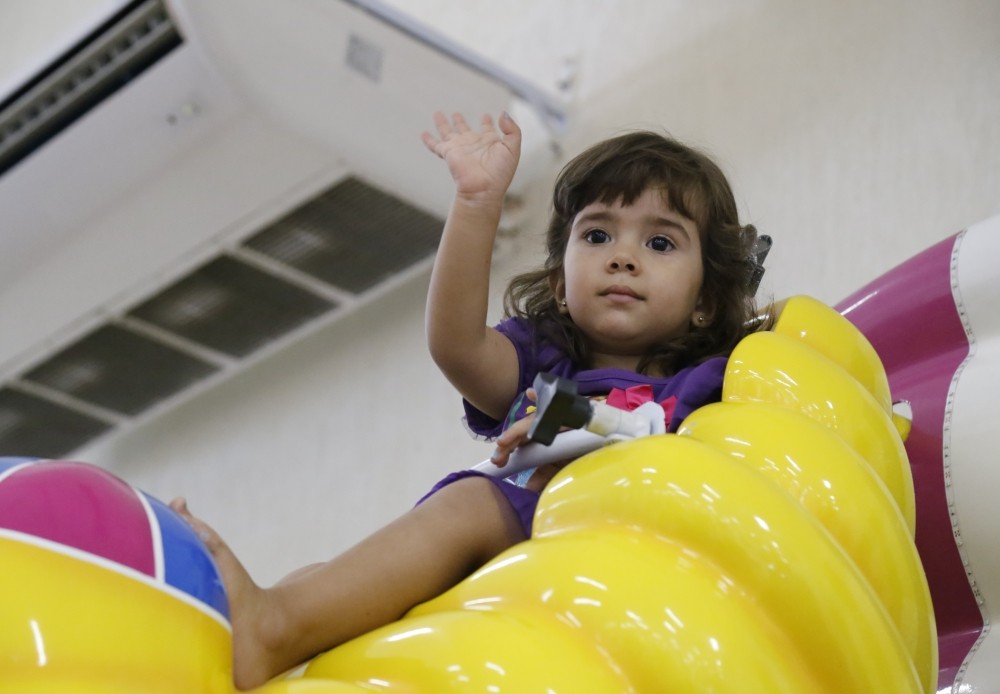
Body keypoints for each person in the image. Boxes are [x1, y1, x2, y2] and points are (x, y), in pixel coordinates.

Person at [171, 111, 770, 690]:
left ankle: (270, 628)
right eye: (596, 234)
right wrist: (476, 206)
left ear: (706, 302)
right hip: (490, 580)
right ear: (561, 284)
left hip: (590, 557)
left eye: (661, 243)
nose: (622, 256)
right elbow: (456, 346)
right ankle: (266, 637)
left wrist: (573, 420)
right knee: (317, 578)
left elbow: (675, 457)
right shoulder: (541, 359)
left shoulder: (707, 382)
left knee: (474, 503)